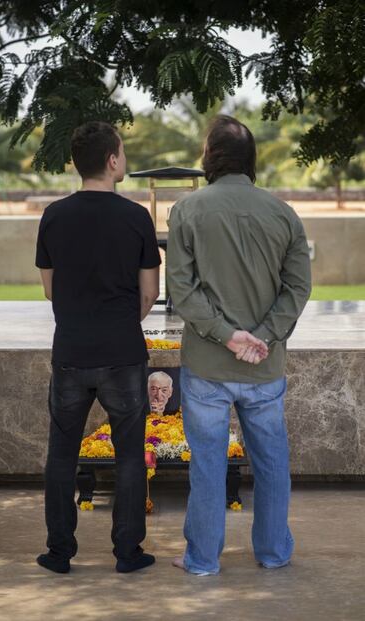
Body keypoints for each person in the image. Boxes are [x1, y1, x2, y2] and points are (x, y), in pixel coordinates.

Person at [167, 115, 312, 576]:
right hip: (264, 367)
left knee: (207, 466)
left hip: (208, 365)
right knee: (271, 465)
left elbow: (183, 292)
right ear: (252, 161)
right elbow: (298, 288)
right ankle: (272, 553)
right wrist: (264, 336)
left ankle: (203, 559)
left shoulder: (186, 210)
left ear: (209, 159)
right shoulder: (283, 213)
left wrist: (227, 336)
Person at [35, 121, 161, 574]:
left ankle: (58, 553)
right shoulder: (136, 217)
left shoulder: (53, 215)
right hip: (123, 353)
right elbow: (149, 293)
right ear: (112, 160)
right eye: (123, 152)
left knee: (61, 456)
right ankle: (128, 554)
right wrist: (121, 319)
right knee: (129, 457)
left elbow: (50, 289)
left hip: (69, 352)